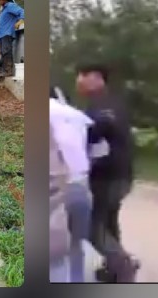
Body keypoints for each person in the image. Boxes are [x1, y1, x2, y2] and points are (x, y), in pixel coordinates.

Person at [76, 64, 139, 283]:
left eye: (82, 76)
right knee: (109, 222)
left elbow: (92, 132)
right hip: (120, 175)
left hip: (108, 176)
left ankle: (122, 265)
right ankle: (113, 267)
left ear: (96, 78)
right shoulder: (110, 102)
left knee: (93, 228)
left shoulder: (103, 107)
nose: (79, 81)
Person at [50, 87, 94, 282]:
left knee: (55, 254)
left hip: (59, 191)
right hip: (79, 187)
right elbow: (95, 152)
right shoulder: (76, 119)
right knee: (76, 245)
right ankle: (77, 281)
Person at [0, 0, 24, 77]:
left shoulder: (10, 6)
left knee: (6, 51)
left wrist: (21, 20)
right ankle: (4, 70)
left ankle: (8, 71)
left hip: (7, 33)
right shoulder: (4, 8)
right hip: (2, 34)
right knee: (3, 52)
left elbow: (22, 11)